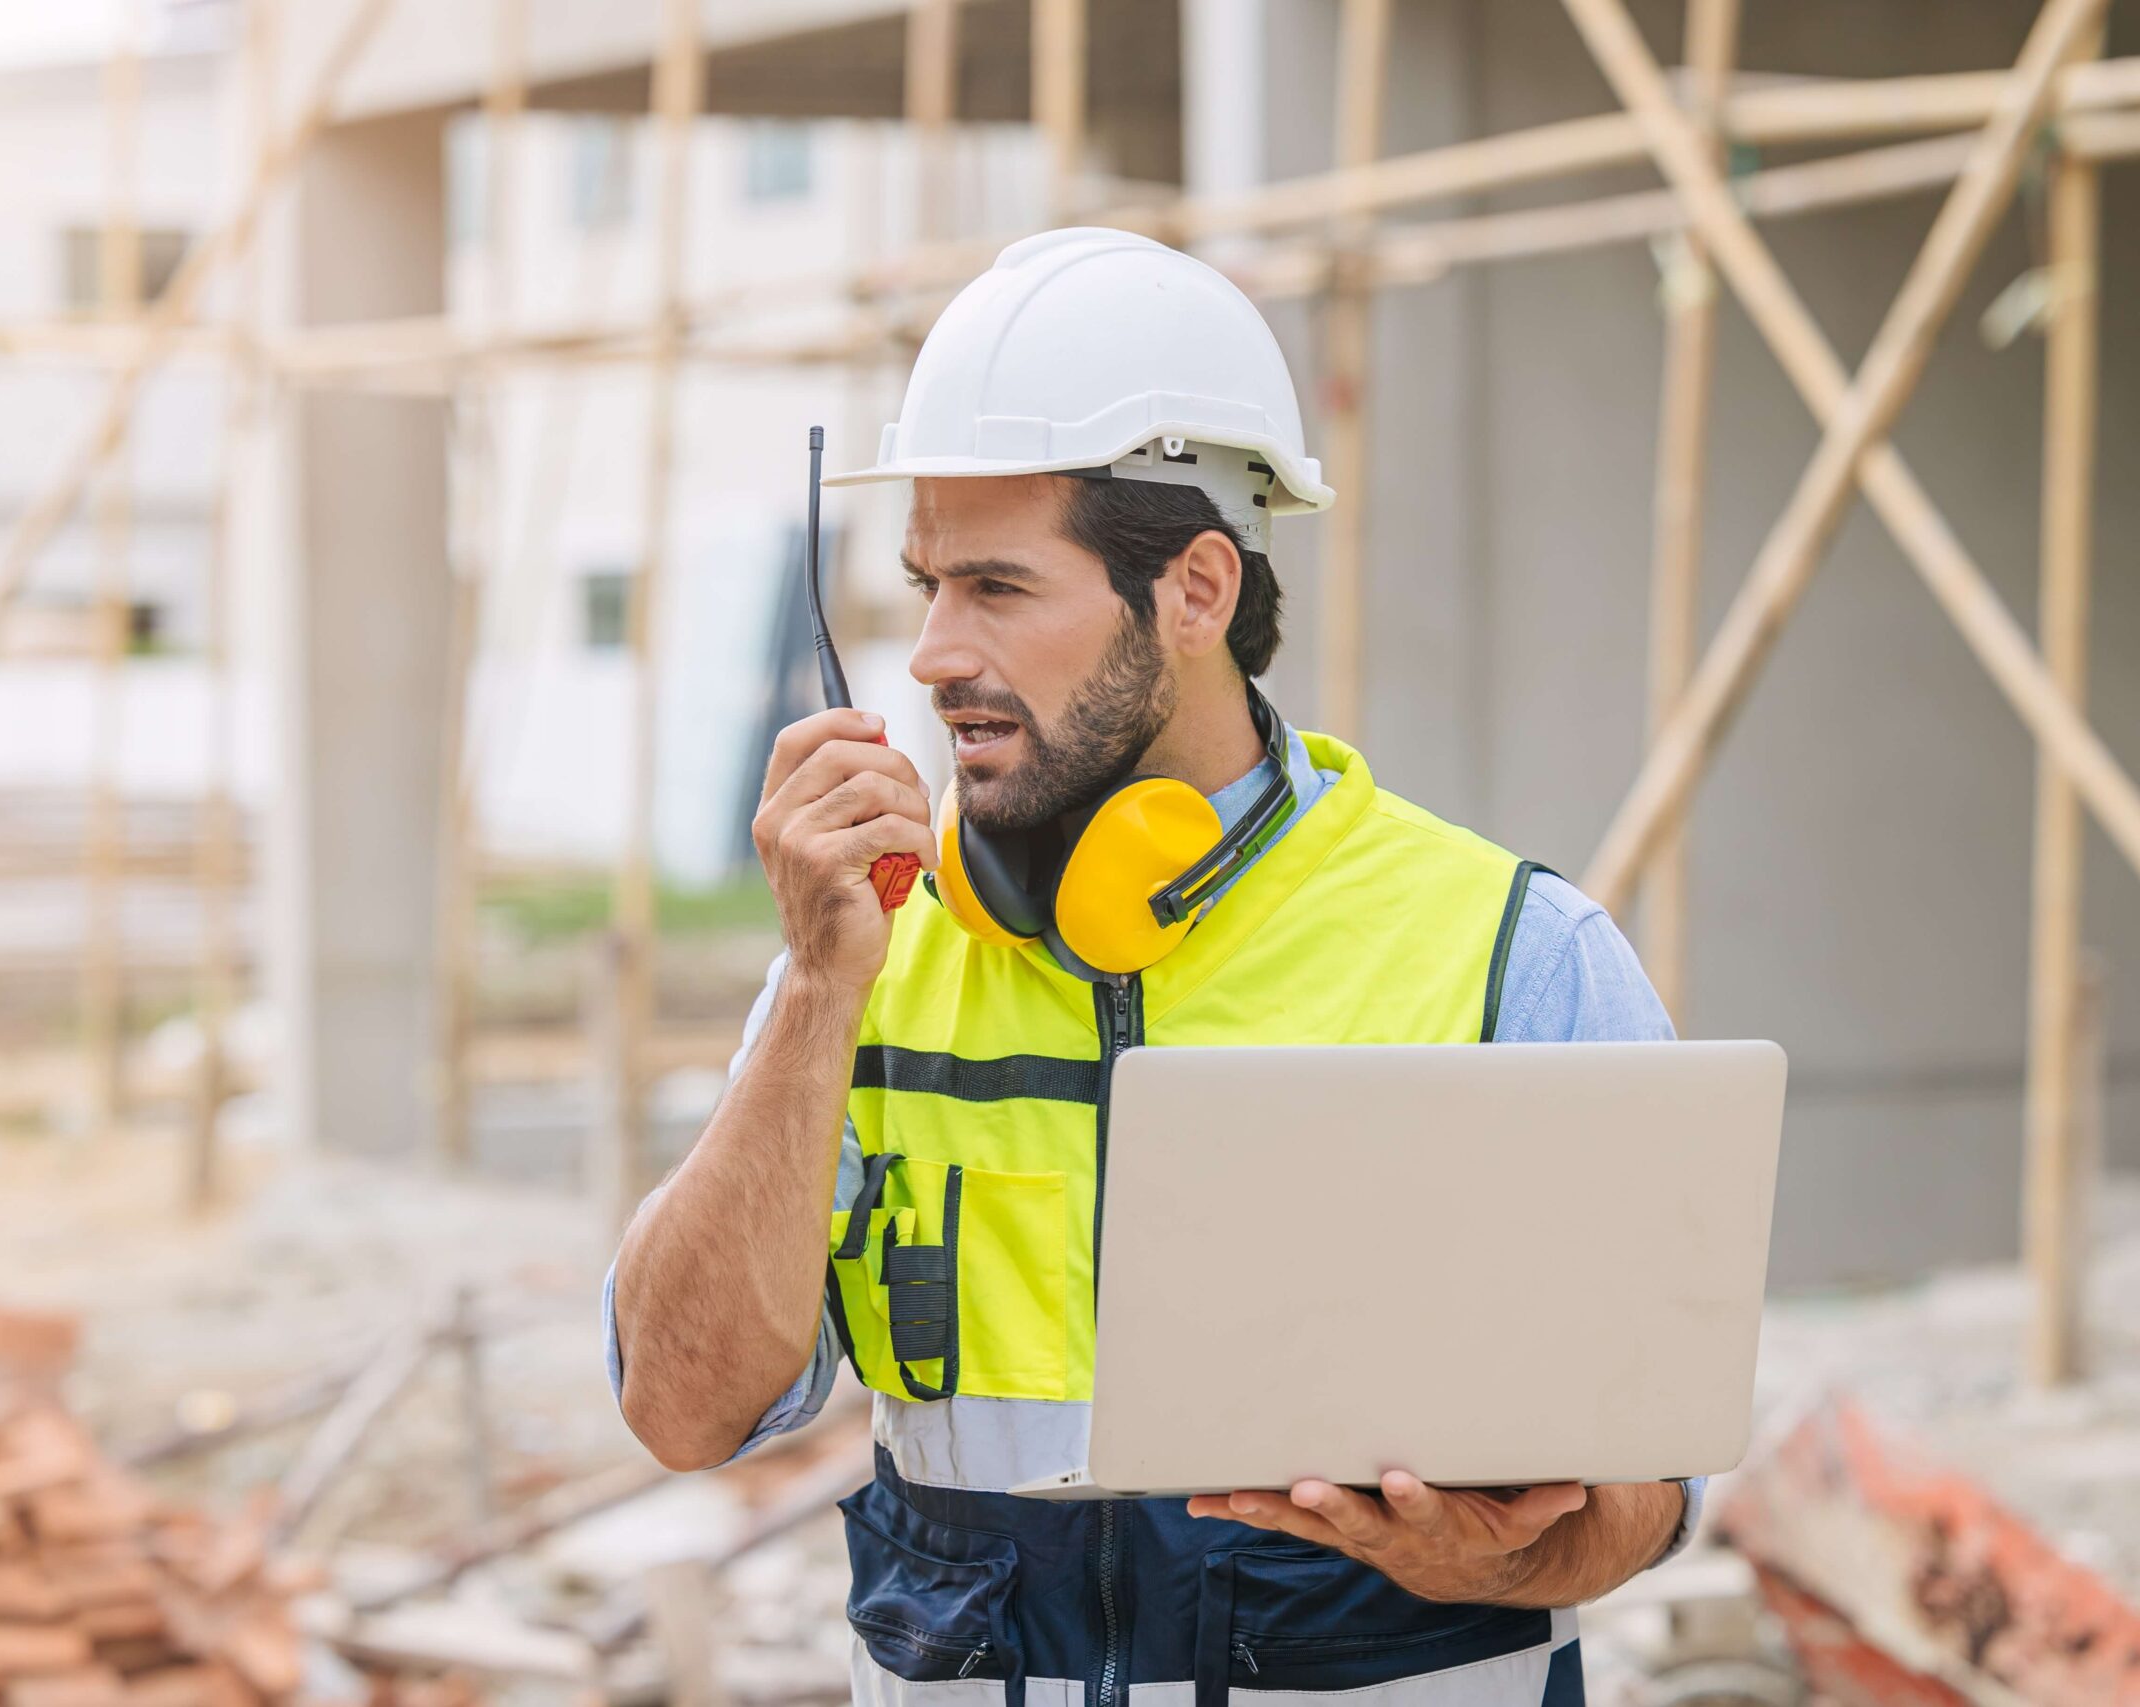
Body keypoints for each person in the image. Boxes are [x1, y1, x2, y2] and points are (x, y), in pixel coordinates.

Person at [605, 228, 1693, 1707]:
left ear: (1193, 591)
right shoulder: (867, 950)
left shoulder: (1508, 952)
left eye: (996, 586)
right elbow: (684, 1409)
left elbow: (1650, 1487)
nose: (930, 654)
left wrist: (1503, 1564)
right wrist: (811, 995)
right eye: (927, 583)